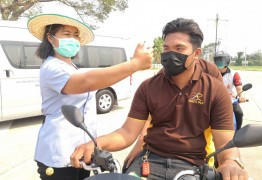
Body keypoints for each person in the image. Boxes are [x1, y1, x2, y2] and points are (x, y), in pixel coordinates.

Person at [70, 18, 248, 180]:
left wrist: (231, 162)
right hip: (149, 160)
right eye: (166, 48)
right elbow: (127, 133)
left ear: (196, 53)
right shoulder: (148, 87)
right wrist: (96, 143)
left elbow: (225, 143)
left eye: (179, 49)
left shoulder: (215, 90)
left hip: (192, 165)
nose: (171, 55)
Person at [27, 13, 153, 180]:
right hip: (59, 153)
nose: (72, 39)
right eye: (66, 34)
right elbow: (86, 81)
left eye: (75, 35)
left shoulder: (71, 67)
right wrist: (134, 64)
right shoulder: (51, 67)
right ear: (50, 38)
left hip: (82, 151)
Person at [214, 52, 246, 130]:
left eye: (221, 60)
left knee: (239, 113)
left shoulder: (234, 73)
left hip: (229, 99)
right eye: (217, 60)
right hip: (214, 98)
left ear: (227, 61)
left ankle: (238, 133)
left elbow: (238, 87)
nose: (219, 62)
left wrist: (241, 96)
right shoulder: (211, 72)